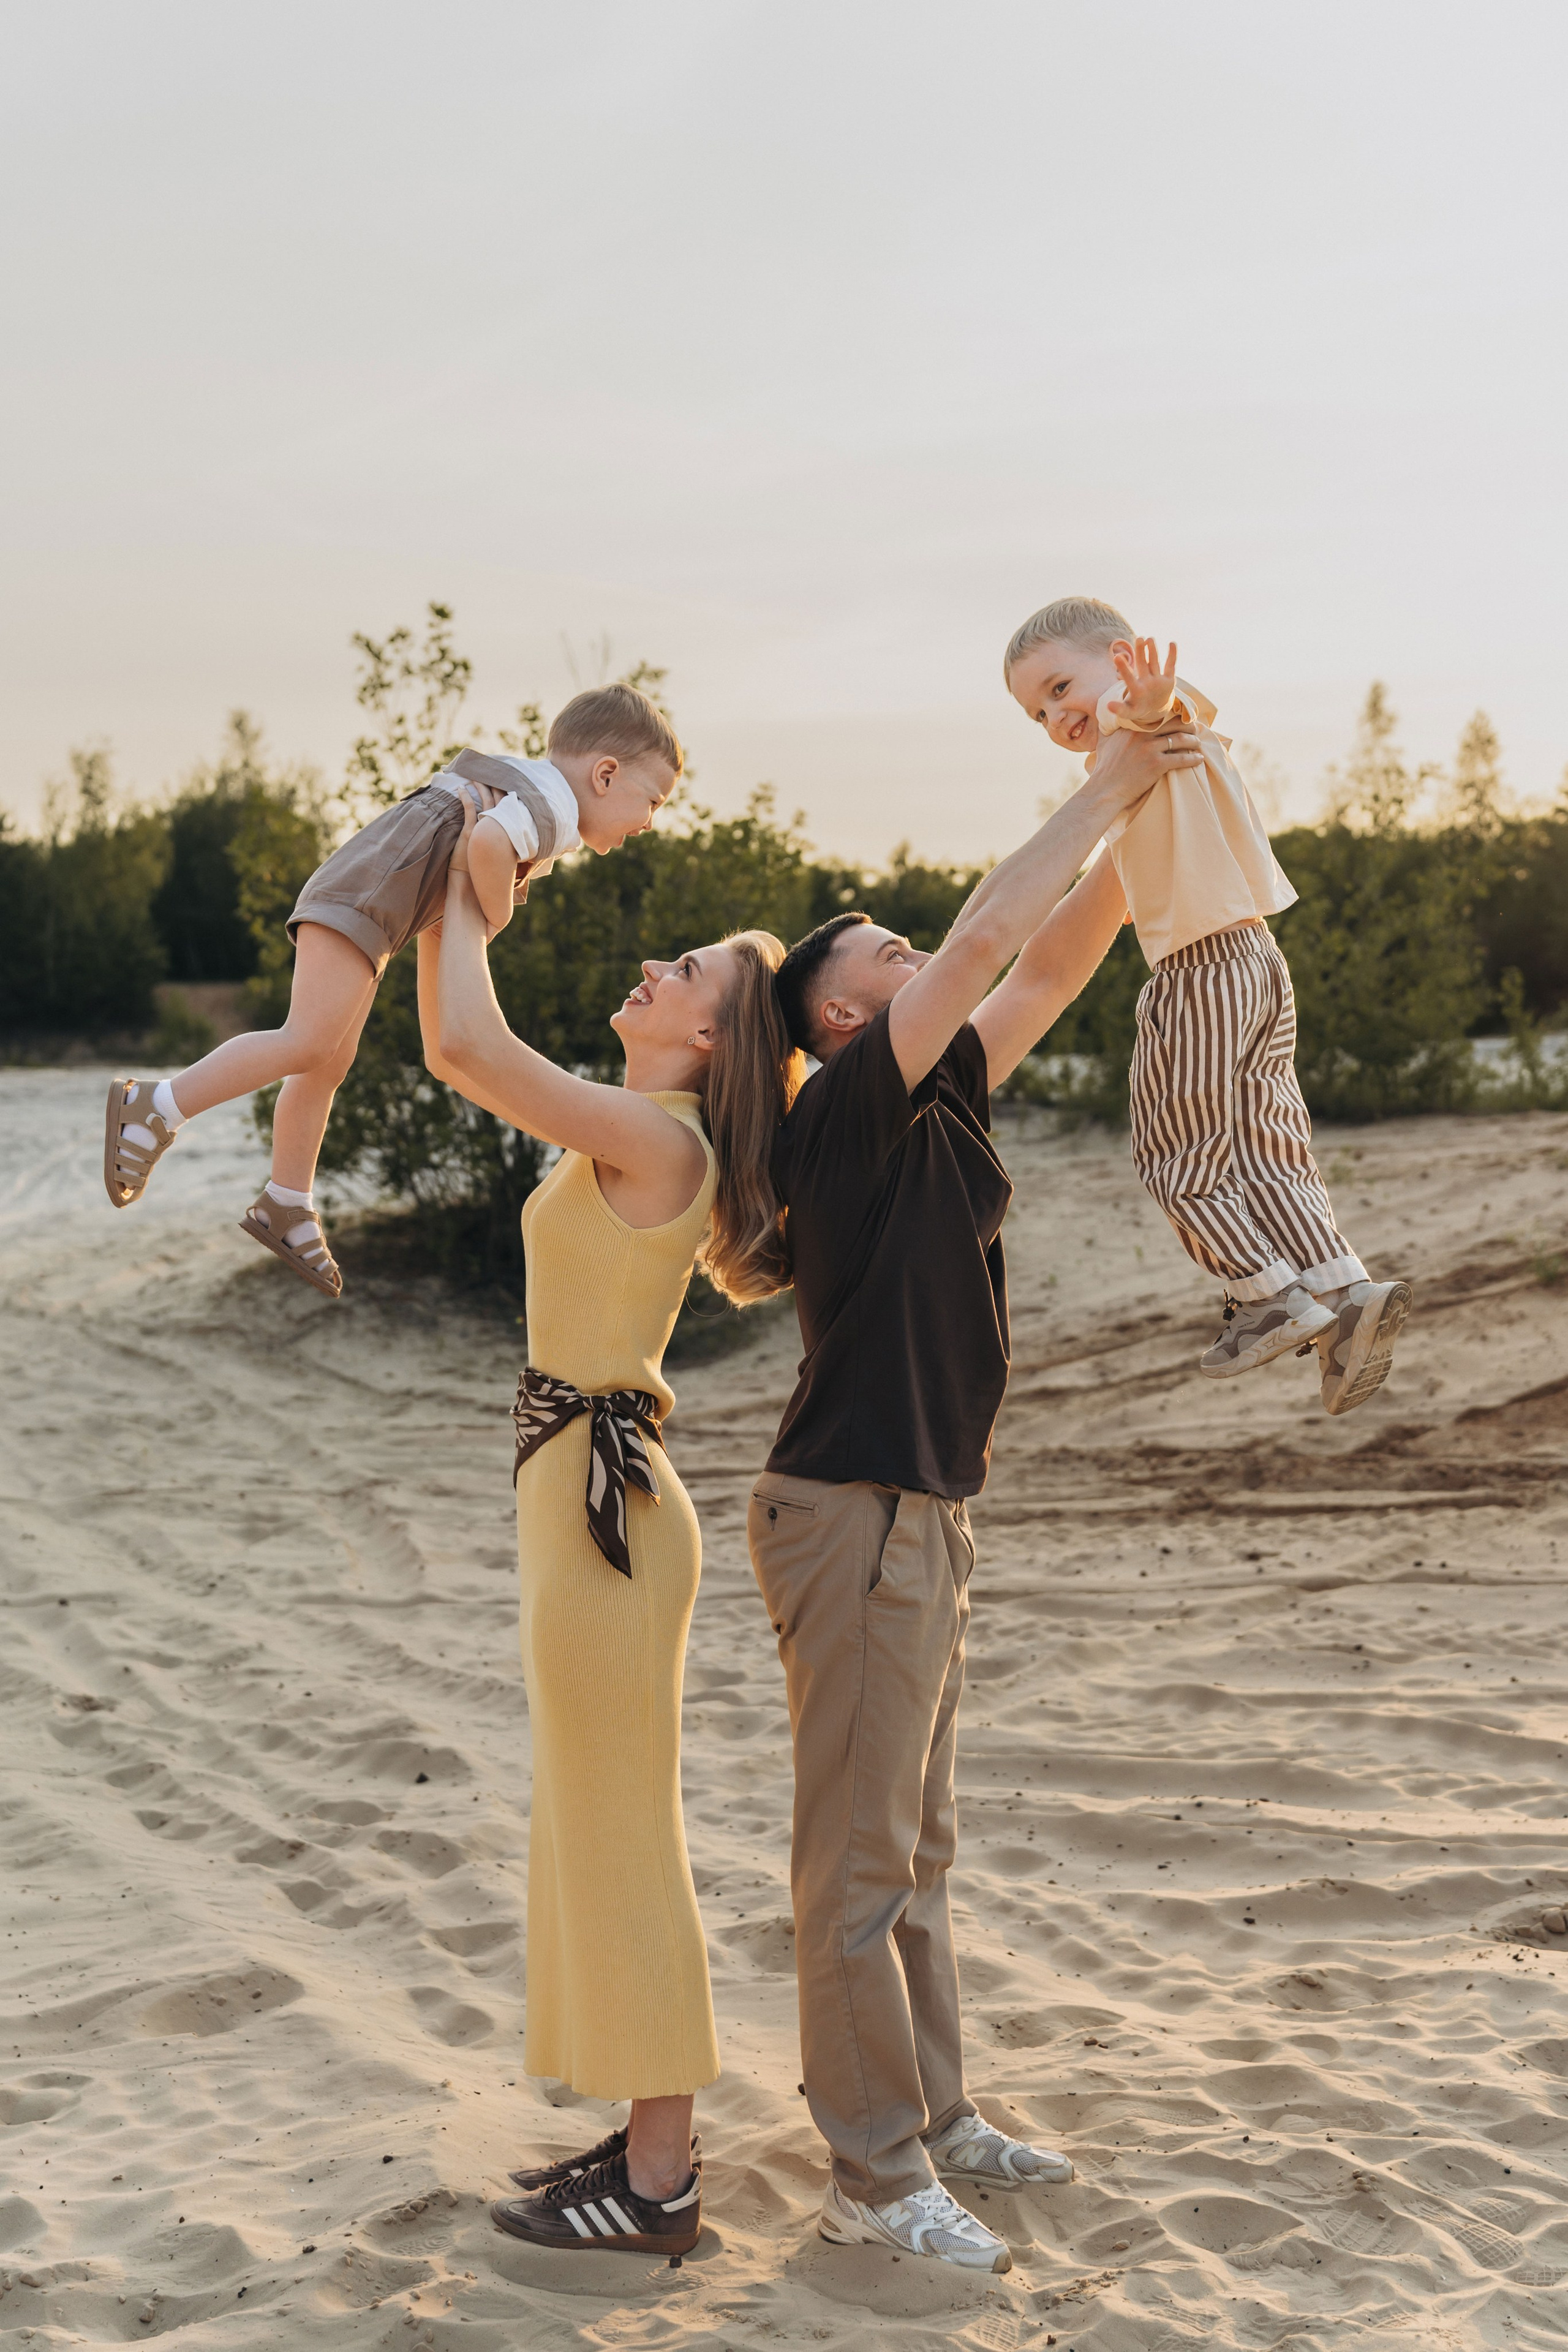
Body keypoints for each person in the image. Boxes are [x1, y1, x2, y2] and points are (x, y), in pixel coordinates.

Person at [748, 713, 1205, 2275]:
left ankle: (934, 2115)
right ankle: (869, 2173)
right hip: (852, 1503)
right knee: (857, 1868)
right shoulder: (843, 1104)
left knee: (917, 1849)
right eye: (875, 944)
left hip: (927, 1502)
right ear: (833, 1009)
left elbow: (1058, 952)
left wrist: (1167, 787)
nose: (904, 944)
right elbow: (996, 924)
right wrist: (1106, 780)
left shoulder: (941, 1086)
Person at [426, 796, 802, 2260]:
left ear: (708, 1038)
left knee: (623, 1831)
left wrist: (460, 895)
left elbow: (463, 1047)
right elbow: (477, 1052)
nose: (656, 962)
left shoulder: (660, 1135)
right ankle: (646, 2140)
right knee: (592, 1824)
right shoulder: (646, 1128)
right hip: (583, 1501)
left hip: (604, 1519)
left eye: (687, 967)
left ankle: (658, 2178)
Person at [100, 682, 681, 1298]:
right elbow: (483, 847)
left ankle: (287, 1203)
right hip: (369, 898)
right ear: (606, 774)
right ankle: (156, 1106)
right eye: (654, 801)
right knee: (308, 1040)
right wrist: (498, 916)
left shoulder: (529, 786)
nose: (650, 822)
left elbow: (452, 860)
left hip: (376, 900)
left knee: (326, 1060)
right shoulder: (554, 808)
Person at [1004, 597, 1411, 1415]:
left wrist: (1140, 701)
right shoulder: (1189, 736)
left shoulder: (1143, 719)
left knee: (1176, 1152)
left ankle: (1264, 1297)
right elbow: (1150, 714)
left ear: (1121, 659)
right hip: (1259, 960)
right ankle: (1342, 1290)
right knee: (1267, 1148)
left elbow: (1136, 705)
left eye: (1058, 688)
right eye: (1036, 711)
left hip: (1198, 968)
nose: (1056, 716)